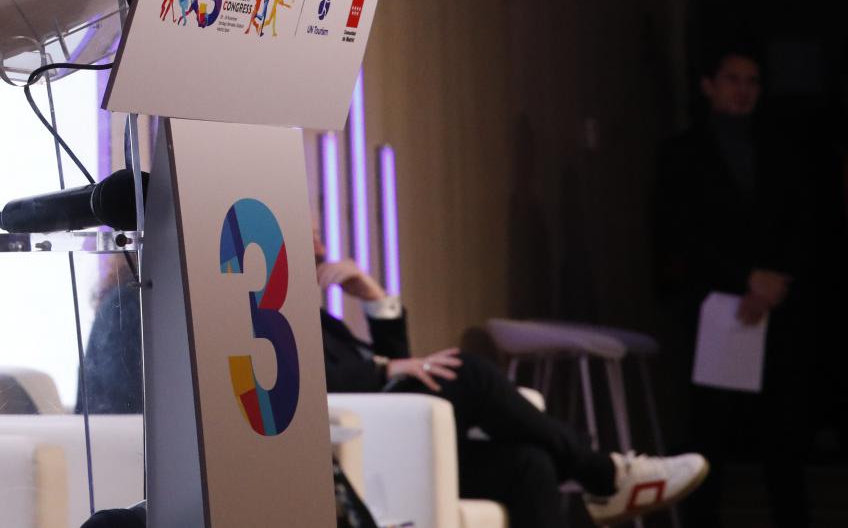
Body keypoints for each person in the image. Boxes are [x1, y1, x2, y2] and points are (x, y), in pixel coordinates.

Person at [319, 235, 705, 527]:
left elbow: (398, 374)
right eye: (311, 237)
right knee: (466, 371)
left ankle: (604, 475)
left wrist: (376, 302)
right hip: (350, 453)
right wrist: (384, 369)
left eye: (320, 237)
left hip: (393, 437)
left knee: (529, 465)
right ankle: (605, 474)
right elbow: (316, 388)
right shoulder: (286, 329)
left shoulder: (326, 323)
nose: (322, 249)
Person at [655, 48, 818, 526]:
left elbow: (804, 222)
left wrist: (774, 282)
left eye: (751, 81)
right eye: (732, 79)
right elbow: (679, 233)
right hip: (714, 305)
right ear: (708, 85)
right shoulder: (682, 153)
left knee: (784, 436)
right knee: (710, 431)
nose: (742, 90)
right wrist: (744, 277)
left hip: (777, 305)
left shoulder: (782, 149)